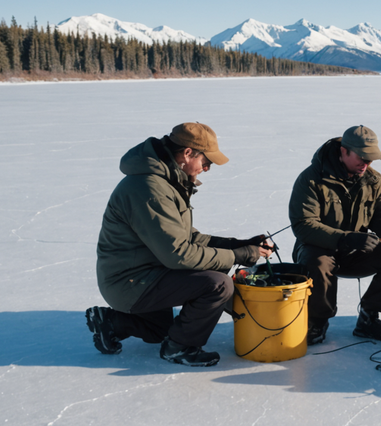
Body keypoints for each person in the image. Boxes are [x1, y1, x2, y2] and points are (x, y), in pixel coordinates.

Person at [88, 122, 275, 367]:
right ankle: (180, 348)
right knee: (217, 284)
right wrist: (237, 255)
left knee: (160, 329)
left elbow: (187, 237)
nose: (207, 169)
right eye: (206, 162)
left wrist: (238, 245)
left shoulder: (165, 181)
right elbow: (178, 254)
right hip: (130, 282)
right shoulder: (150, 189)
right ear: (187, 154)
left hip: (145, 273)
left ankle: (111, 322)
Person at [289, 125, 381, 345]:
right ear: (344, 151)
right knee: (318, 261)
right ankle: (317, 321)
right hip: (318, 249)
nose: (366, 164)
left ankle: (369, 319)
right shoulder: (311, 179)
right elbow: (304, 225)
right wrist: (344, 238)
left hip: (357, 250)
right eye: (362, 157)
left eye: (371, 159)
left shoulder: (374, 181)